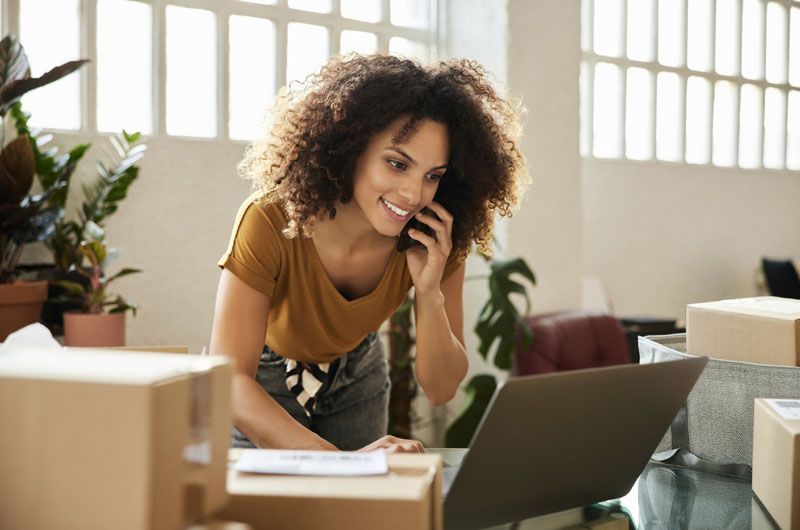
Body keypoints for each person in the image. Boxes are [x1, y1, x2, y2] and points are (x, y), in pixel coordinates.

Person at [210, 53, 529, 453]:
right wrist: (342, 463)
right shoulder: (271, 219)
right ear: (350, 147)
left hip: (357, 371)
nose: (414, 194)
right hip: (262, 380)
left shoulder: (435, 237)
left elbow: (442, 388)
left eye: (433, 176)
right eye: (397, 164)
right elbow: (231, 379)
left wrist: (429, 293)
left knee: (355, 515)